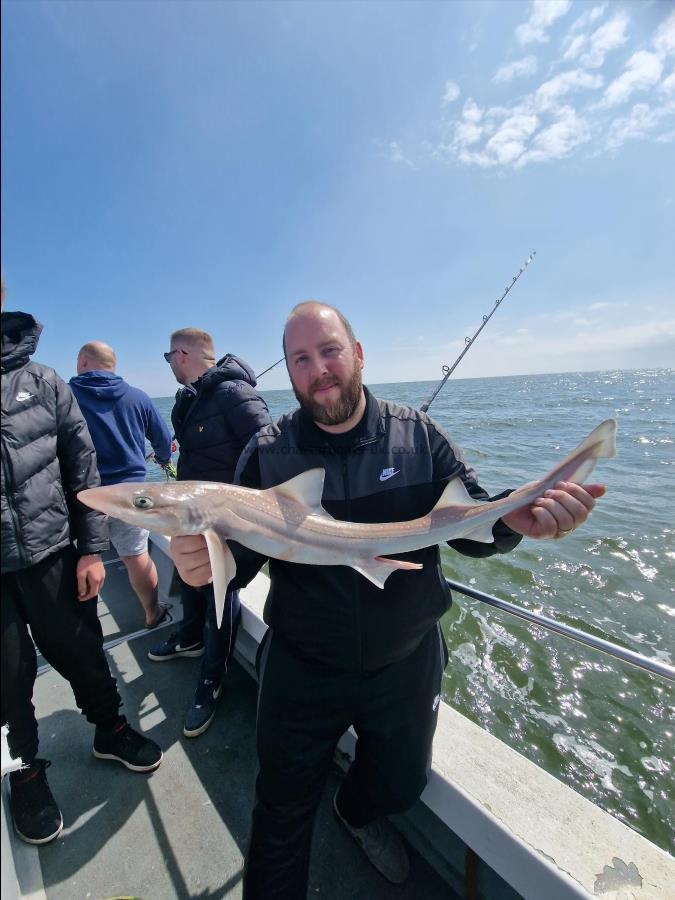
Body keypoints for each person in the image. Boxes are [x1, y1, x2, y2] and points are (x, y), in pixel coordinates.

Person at [170, 301, 606, 898]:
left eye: (329, 351)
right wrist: (203, 564)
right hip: (303, 660)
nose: (318, 369)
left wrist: (516, 522)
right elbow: (240, 558)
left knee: (401, 785)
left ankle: (356, 810)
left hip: (406, 659)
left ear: (358, 354)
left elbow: (470, 522)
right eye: (301, 359)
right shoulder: (268, 453)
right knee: (279, 808)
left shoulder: (419, 437)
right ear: (289, 373)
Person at [1, 285, 163, 847]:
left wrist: (91, 548)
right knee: (7, 674)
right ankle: (22, 769)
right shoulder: (133, 393)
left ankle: (110, 728)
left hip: (54, 551)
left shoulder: (46, 383)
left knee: (82, 650)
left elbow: (81, 466)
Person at [147, 328, 272, 738]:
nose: (169, 365)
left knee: (222, 597)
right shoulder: (190, 400)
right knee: (190, 580)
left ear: (181, 354)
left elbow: (269, 448)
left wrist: (244, 511)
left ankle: (212, 679)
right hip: (193, 520)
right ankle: (188, 636)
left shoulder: (235, 393)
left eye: (169, 358)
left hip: (228, 526)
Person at [70, 341, 174, 628]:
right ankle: (153, 613)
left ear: (82, 362)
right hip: (132, 496)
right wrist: (164, 458)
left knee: (83, 561)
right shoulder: (138, 397)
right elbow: (163, 441)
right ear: (113, 366)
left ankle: (84, 629)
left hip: (86, 496)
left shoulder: (64, 395)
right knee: (136, 557)